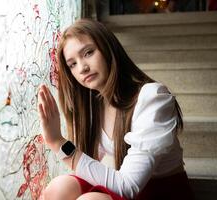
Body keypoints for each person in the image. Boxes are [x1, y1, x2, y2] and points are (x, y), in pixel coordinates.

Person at [37, 18, 194, 200]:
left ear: (108, 48)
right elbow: (90, 167)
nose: (82, 68)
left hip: (161, 192)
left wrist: (58, 143)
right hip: (123, 188)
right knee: (58, 188)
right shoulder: (92, 103)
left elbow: (127, 186)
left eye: (88, 52)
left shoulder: (152, 98)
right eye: (72, 64)